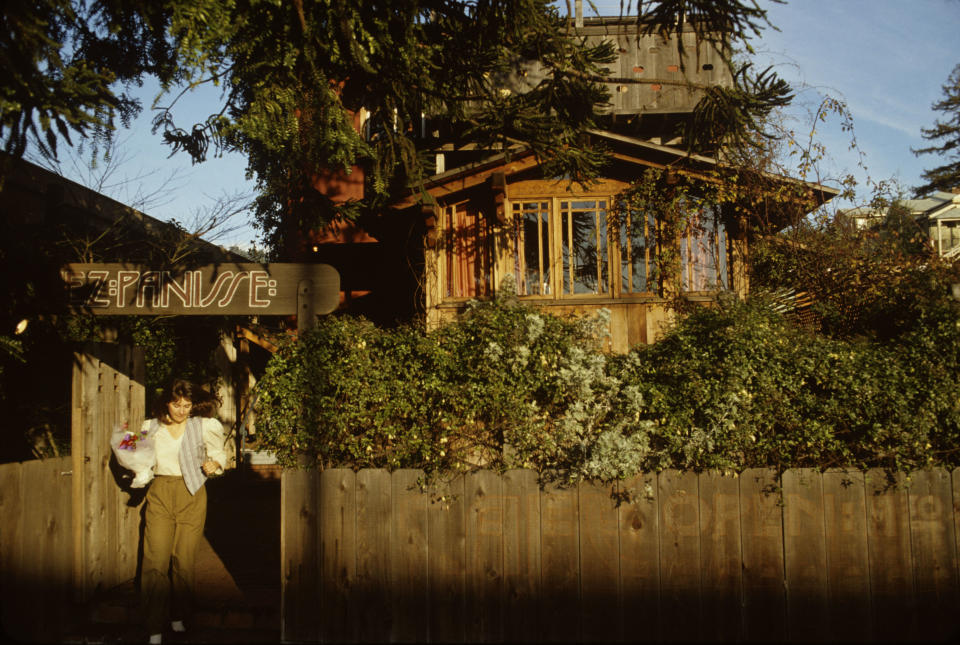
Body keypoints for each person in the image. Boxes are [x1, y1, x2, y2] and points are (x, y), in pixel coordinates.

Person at [139, 379, 227, 645]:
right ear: (167, 401)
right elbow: (131, 452)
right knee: (155, 560)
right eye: (177, 404)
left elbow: (220, 455)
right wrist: (129, 454)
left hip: (193, 492)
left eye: (187, 405)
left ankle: (178, 614)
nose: (181, 410)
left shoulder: (204, 426)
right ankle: (154, 627)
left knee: (183, 561)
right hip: (160, 492)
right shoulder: (148, 427)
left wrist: (215, 464)